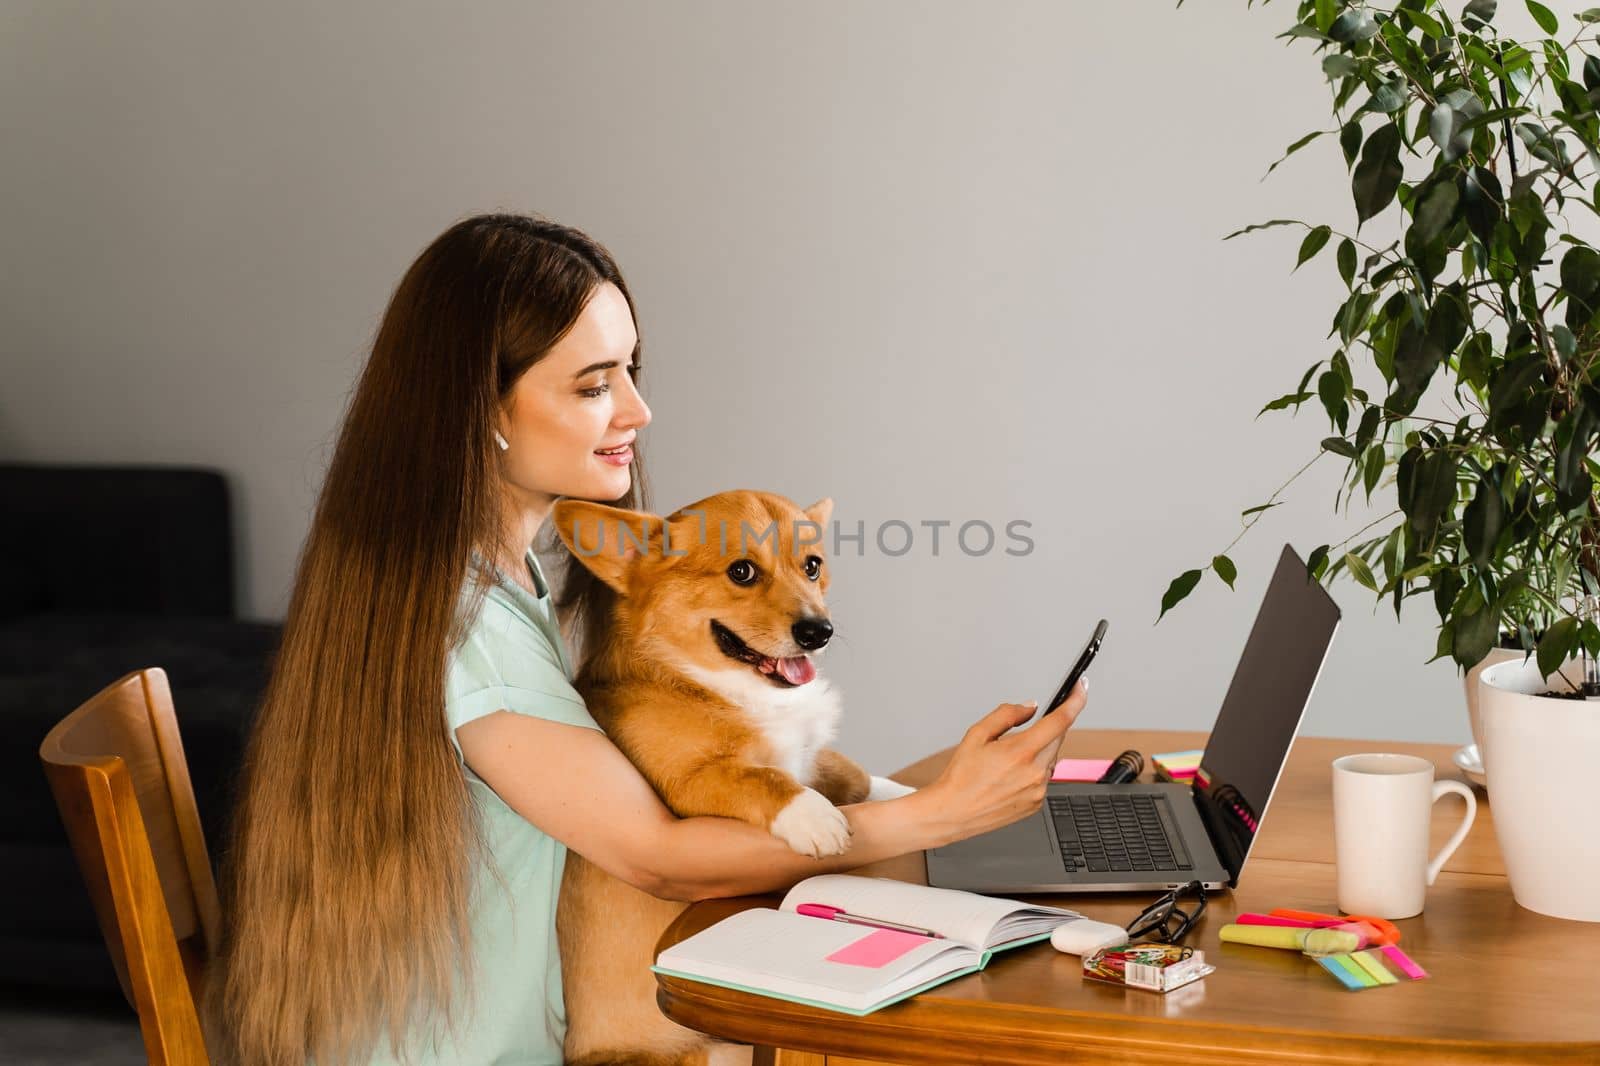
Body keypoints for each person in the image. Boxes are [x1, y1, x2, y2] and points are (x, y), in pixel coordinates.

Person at [206, 213, 1088, 1066]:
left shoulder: (480, 582)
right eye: (594, 385)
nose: (638, 409)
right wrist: (940, 815)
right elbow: (660, 860)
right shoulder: (467, 627)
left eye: (630, 370)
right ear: (482, 409)